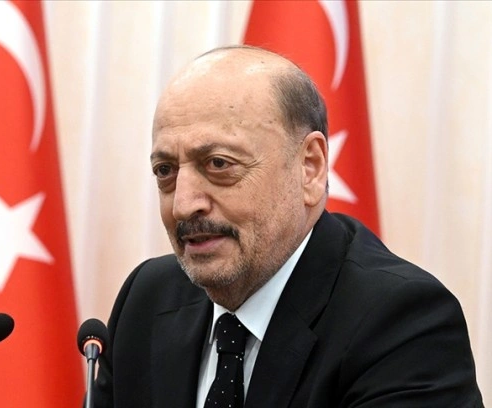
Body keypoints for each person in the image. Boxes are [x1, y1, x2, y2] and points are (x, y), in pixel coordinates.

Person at [92, 45, 483, 407]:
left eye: (219, 164)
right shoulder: (147, 299)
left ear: (309, 167)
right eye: (165, 171)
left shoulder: (401, 323)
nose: (183, 205)